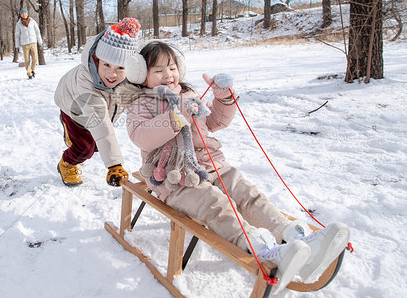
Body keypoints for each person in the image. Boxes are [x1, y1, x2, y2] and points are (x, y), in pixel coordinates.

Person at [119, 41, 351, 293]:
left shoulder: (187, 94)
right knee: (214, 203)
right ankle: (262, 249)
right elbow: (141, 136)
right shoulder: (140, 103)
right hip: (176, 179)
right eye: (158, 71)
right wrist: (176, 116)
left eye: (172, 68)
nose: (168, 75)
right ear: (141, 75)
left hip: (211, 165)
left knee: (245, 192)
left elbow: (214, 123)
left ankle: (290, 234)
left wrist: (224, 99)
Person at [54, 17, 141, 187]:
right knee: (84, 148)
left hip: (99, 112)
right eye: (106, 65)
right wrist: (114, 165)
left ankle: (77, 143)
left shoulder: (128, 81)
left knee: (97, 146)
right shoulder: (86, 81)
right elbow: (100, 122)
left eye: (120, 68)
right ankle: (66, 164)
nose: (112, 74)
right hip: (74, 108)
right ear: (96, 59)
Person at [15, 8, 43, 79]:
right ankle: (29, 73)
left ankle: (32, 70)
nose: (24, 14)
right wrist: (17, 46)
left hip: (33, 42)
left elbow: (37, 32)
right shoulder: (19, 24)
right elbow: (17, 35)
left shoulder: (32, 21)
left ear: (27, 14)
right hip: (25, 44)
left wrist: (40, 42)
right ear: (21, 15)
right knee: (27, 60)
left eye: (25, 13)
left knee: (35, 58)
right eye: (22, 13)